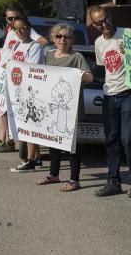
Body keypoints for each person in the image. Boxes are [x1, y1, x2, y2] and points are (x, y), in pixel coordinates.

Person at [89, 5, 131, 197]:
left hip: (129, 94)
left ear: (111, 16)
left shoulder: (128, 33)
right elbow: (106, 68)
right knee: (111, 139)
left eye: (105, 19)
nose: (104, 25)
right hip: (110, 95)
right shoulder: (98, 43)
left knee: (128, 139)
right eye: (98, 23)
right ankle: (113, 181)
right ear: (94, 25)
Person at [35, 23, 93, 192]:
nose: (62, 40)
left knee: (71, 144)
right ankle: (54, 174)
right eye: (59, 36)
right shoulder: (49, 56)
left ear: (71, 40)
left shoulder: (77, 57)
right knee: (53, 141)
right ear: (53, 38)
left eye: (67, 37)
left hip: (70, 109)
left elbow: (89, 78)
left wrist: (82, 75)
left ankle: (74, 179)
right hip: (51, 107)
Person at [7, 17, 45, 173]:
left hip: (29, 91)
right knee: (24, 124)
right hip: (17, 89)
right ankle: (37, 158)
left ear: (29, 28)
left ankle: (29, 160)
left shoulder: (35, 46)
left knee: (29, 125)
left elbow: (31, 68)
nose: (20, 32)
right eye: (16, 29)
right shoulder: (16, 45)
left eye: (23, 28)